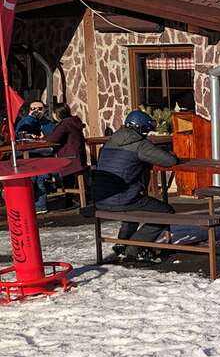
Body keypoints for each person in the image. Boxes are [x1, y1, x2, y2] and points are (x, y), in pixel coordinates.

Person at [92, 109, 178, 261]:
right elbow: (169, 161)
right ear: (141, 129)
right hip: (121, 199)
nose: (147, 133)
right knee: (166, 212)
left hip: (100, 198)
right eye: (146, 130)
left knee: (133, 205)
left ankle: (122, 242)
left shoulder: (110, 142)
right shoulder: (140, 144)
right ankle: (135, 247)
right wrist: (169, 153)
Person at [47, 104, 88, 201]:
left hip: (70, 158)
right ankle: (74, 198)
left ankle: (69, 199)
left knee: (62, 173)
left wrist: (43, 138)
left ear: (57, 114)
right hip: (79, 157)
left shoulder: (65, 124)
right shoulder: (74, 121)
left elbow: (53, 139)